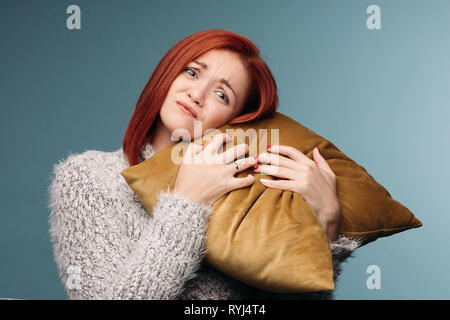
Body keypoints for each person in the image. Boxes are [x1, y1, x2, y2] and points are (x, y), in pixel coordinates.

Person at [48, 29, 361, 300]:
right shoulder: (87, 178)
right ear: (167, 74)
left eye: (222, 95)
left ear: (236, 122)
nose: (197, 94)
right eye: (192, 72)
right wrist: (187, 203)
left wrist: (326, 228)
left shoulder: (249, 197)